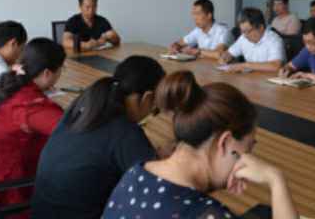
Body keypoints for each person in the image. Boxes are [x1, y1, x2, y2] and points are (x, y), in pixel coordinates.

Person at [103, 71, 299, 219]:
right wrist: (276, 179)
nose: (249, 159)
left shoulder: (134, 174)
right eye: (248, 149)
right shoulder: (208, 213)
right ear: (225, 142)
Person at [31, 56, 166, 219]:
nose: (152, 113)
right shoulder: (125, 133)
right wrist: (165, 162)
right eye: (155, 109)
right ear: (147, 98)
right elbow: (158, 190)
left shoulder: (83, 108)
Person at [0, 38, 66, 218]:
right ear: (47, 73)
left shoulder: (10, 89)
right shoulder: (31, 106)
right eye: (61, 70)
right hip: (5, 193)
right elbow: (73, 133)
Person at [219, 8, 285, 73]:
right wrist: (225, 57)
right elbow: (229, 53)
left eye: (248, 31)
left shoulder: (274, 40)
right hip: (251, 77)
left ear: (261, 27)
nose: (245, 35)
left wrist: (245, 65)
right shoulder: (243, 38)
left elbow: (275, 66)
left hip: (270, 78)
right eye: (242, 31)